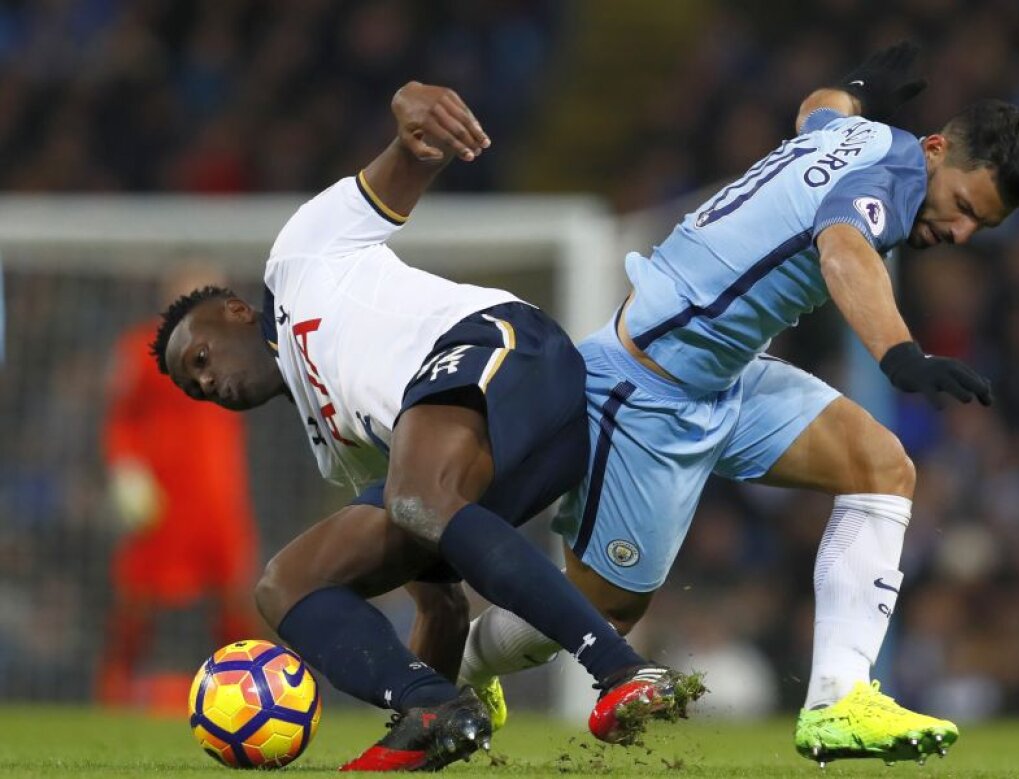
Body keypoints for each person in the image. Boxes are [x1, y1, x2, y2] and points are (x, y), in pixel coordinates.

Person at [457, 42, 1019, 767]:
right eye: (963, 206)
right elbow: (843, 251)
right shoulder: (897, 177)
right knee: (605, 609)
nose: (958, 233)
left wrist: (857, 86)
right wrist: (903, 355)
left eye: (979, 228)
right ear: (935, 149)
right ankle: (470, 663)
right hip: (648, 389)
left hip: (725, 376)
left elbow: (817, 111)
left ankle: (838, 699)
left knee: (881, 466)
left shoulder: (862, 135)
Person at [151, 81, 700, 772]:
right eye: (191, 386)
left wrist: (413, 115)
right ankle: (429, 709)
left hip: (506, 349)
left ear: (234, 311)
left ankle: (623, 670)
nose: (204, 381)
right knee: (286, 581)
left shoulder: (295, 261)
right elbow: (440, 605)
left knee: (416, 496)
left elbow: (406, 160)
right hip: (509, 454)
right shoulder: (340, 447)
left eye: (197, 358)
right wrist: (433, 703)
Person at [97, 267, 261, 711]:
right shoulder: (137, 348)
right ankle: (114, 687)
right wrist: (126, 471)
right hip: (163, 497)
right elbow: (120, 419)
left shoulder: (237, 348)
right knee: (138, 594)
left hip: (221, 495)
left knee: (236, 597)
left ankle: (252, 690)